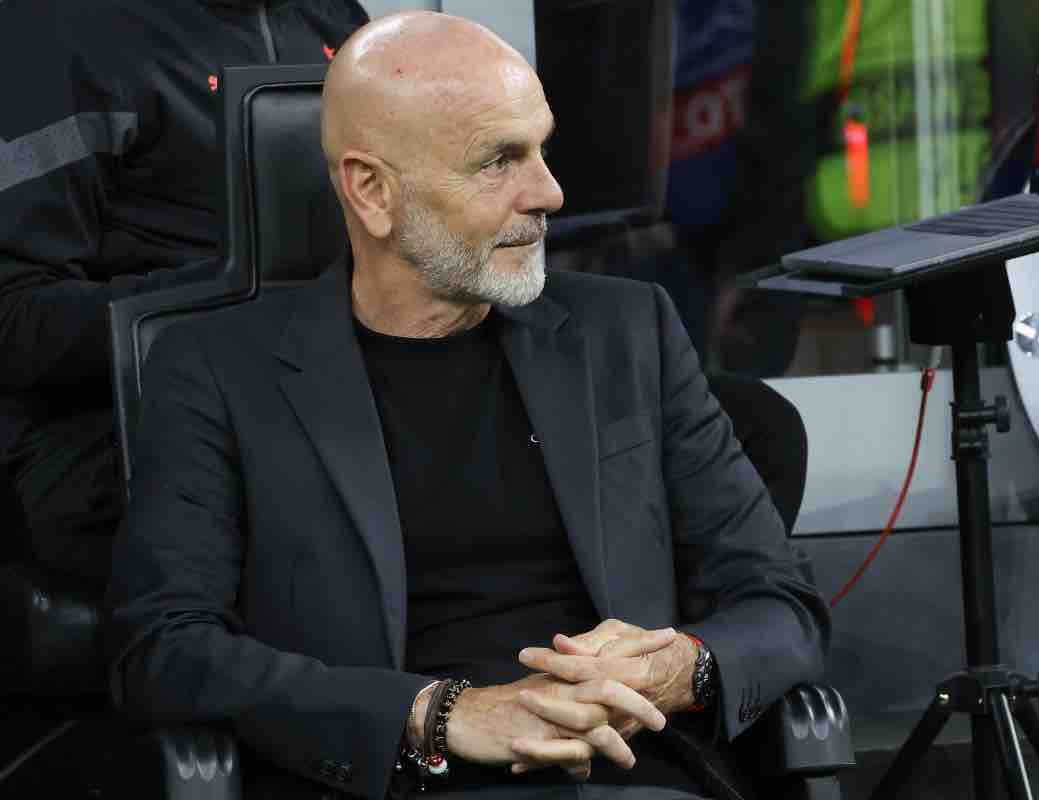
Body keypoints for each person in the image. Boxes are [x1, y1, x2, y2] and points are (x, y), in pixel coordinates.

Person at [106, 11, 830, 799]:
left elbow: (781, 601)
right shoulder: (219, 369)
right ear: (372, 191)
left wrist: (682, 668)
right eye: (499, 161)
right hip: (399, 781)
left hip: (632, 778)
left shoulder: (628, 332)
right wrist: (437, 715)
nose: (549, 192)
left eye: (542, 148)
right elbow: (164, 650)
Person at [0, 0, 369, 583]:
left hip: (319, 394)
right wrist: (236, 297)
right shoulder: (54, 33)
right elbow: (14, 320)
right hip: (108, 428)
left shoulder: (334, 17)